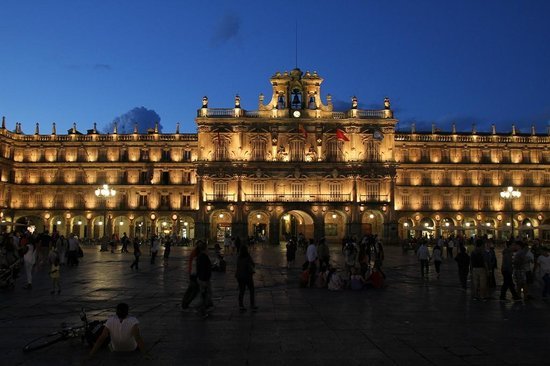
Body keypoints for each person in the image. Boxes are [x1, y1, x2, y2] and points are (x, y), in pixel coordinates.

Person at [235, 245, 257, 312]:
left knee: (241, 291)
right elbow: (253, 264)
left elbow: (237, 266)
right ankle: (252, 304)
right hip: (247, 276)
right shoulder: (248, 256)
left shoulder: (239, 257)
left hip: (240, 276)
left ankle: (241, 305)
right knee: (251, 290)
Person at [196, 241, 213, 318]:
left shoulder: (201, 256)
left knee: (205, 294)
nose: (208, 250)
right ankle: (202, 310)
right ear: (205, 249)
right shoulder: (203, 257)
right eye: (207, 248)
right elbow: (203, 269)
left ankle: (205, 307)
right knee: (204, 295)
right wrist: (203, 280)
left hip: (204, 278)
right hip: (204, 279)